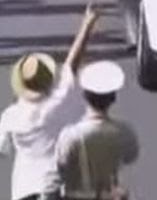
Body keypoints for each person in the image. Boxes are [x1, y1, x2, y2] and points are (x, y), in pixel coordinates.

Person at [0, 5, 102, 200]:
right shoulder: (60, 100)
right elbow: (72, 64)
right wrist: (87, 23)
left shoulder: (11, 116)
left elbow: (0, 147)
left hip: (25, 190)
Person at [55, 61, 140, 200]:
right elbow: (131, 157)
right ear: (113, 98)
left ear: (85, 96)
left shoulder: (71, 135)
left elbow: (61, 166)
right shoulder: (124, 131)